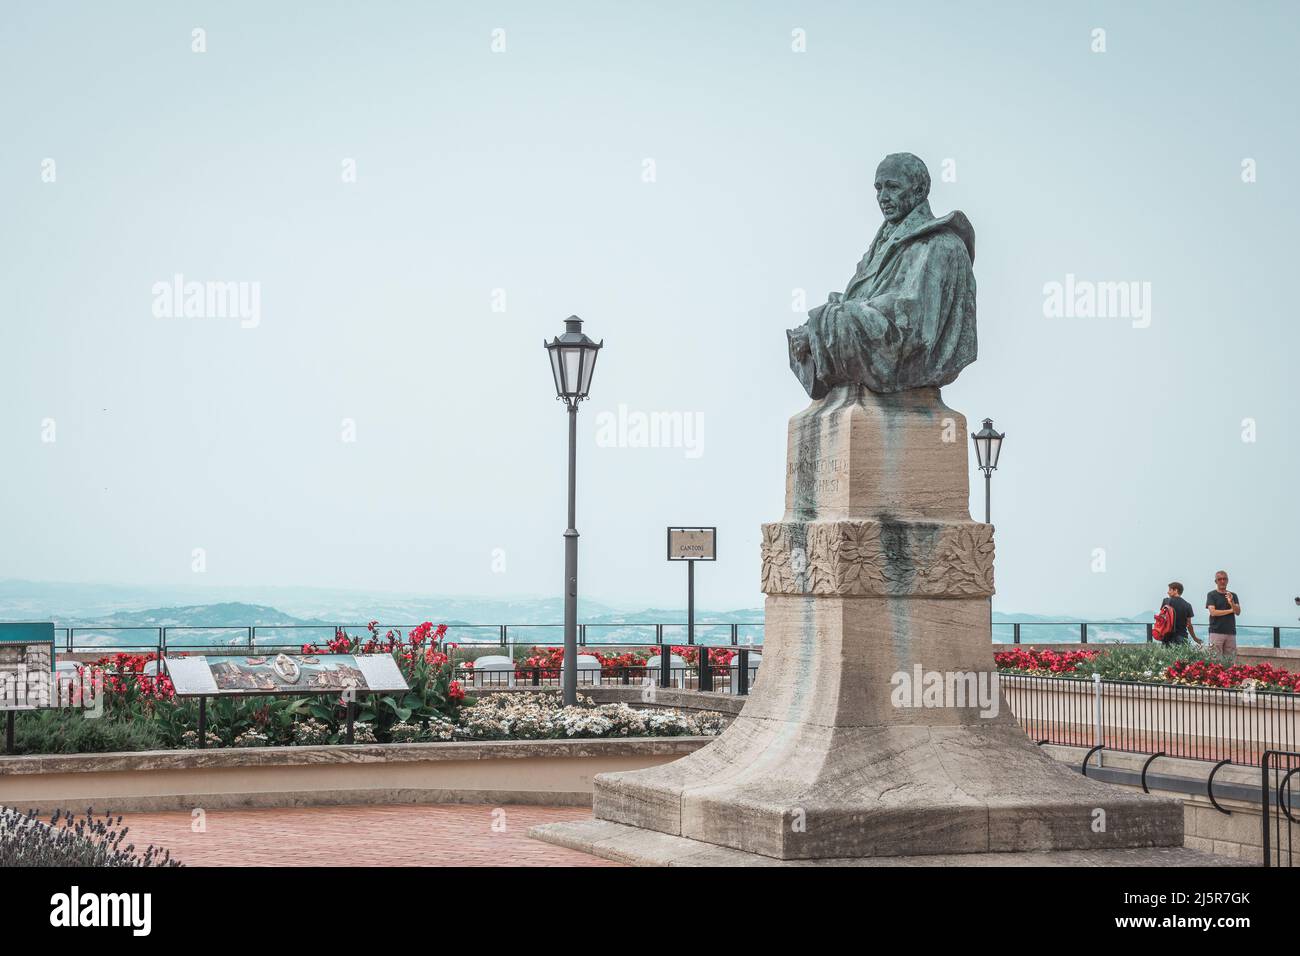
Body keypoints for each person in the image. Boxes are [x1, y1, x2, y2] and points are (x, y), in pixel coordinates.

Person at [1205, 570, 1241, 658]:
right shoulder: (1211, 595)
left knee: (1230, 662)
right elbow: (1213, 612)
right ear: (1216, 581)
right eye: (1219, 579)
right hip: (1216, 632)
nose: (1222, 581)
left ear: (1227, 580)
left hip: (1230, 633)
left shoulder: (1233, 595)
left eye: (1224, 579)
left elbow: (1238, 612)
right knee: (1215, 661)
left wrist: (1231, 602)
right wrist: (1230, 610)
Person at [1159, 582, 1200, 646]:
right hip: (1182, 636)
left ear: (1176, 590)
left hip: (1167, 637)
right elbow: (1189, 625)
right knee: (1182, 656)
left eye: (1170, 590)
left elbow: (1161, 619)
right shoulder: (1187, 605)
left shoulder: (1166, 601)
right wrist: (1194, 638)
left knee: (1167, 656)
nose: (1168, 592)